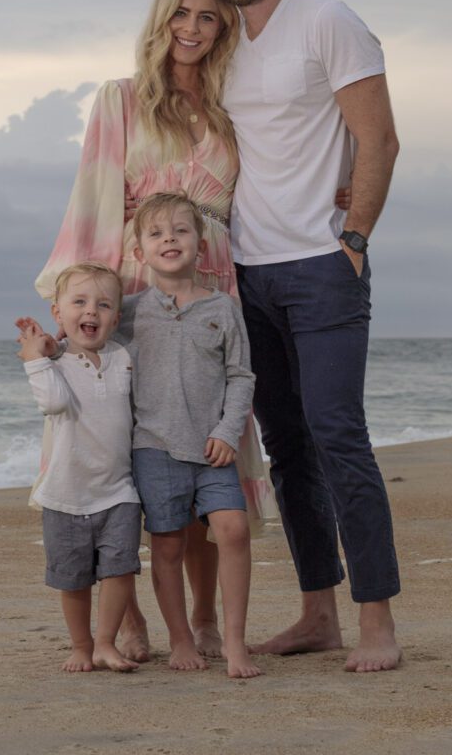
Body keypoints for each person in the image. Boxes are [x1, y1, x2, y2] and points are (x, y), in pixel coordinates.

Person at [34, 0, 274, 662]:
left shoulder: (234, 107)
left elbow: (269, 184)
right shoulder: (121, 100)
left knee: (203, 442)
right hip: (136, 289)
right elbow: (93, 201)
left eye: (207, 17)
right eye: (182, 14)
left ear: (223, 26)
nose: (192, 29)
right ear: (161, 18)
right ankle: (129, 613)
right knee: (122, 452)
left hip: (213, 288)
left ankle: (203, 617)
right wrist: (79, 306)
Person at [192, 0, 402, 673]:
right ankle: (318, 611)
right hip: (248, 270)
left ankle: (376, 622)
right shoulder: (224, 45)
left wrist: (354, 236)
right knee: (285, 447)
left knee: (338, 434)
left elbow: (377, 137)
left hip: (322, 266)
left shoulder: (326, 20)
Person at [123, 191, 261, 678]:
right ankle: (181, 640)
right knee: (166, 545)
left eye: (180, 230)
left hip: (212, 449)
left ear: (201, 246)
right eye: (157, 233)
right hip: (154, 448)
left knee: (234, 530)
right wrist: (50, 344)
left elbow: (241, 375)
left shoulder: (222, 308)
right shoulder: (129, 311)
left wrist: (228, 431)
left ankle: (236, 641)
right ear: (139, 252)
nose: (169, 239)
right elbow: (86, 337)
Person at [17, 262, 141, 673]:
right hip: (66, 495)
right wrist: (36, 358)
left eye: (103, 305)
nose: (91, 311)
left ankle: (106, 642)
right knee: (74, 580)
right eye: (80, 302)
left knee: (120, 571)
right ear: (58, 313)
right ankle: (81, 645)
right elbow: (53, 403)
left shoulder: (123, 357)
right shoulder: (54, 365)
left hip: (118, 490)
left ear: (116, 318)